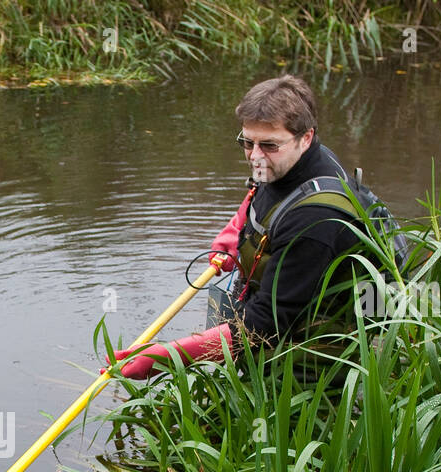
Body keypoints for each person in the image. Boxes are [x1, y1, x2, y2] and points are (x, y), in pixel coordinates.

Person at [115, 75, 365, 379]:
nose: (255, 156)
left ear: (306, 137)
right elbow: (262, 192)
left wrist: (169, 357)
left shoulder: (315, 219)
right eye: (247, 142)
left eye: (269, 145)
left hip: (315, 350)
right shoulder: (290, 161)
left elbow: (265, 327)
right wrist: (237, 228)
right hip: (282, 308)